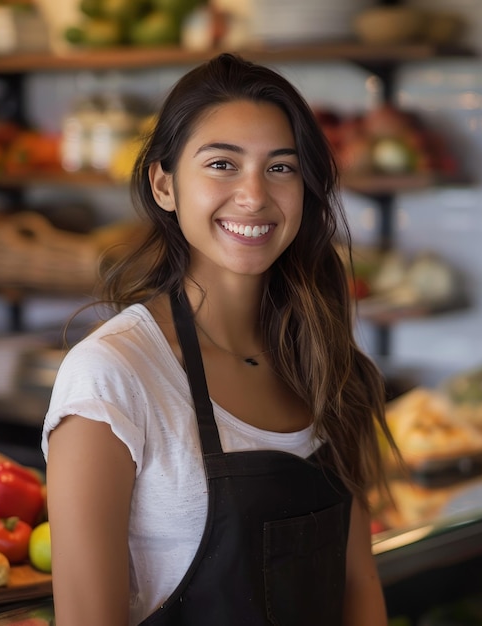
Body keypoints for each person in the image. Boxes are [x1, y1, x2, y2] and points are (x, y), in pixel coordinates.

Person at [43, 52, 399, 626]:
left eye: (280, 168)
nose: (255, 196)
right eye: (222, 165)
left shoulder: (321, 357)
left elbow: (358, 586)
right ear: (164, 184)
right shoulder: (113, 375)